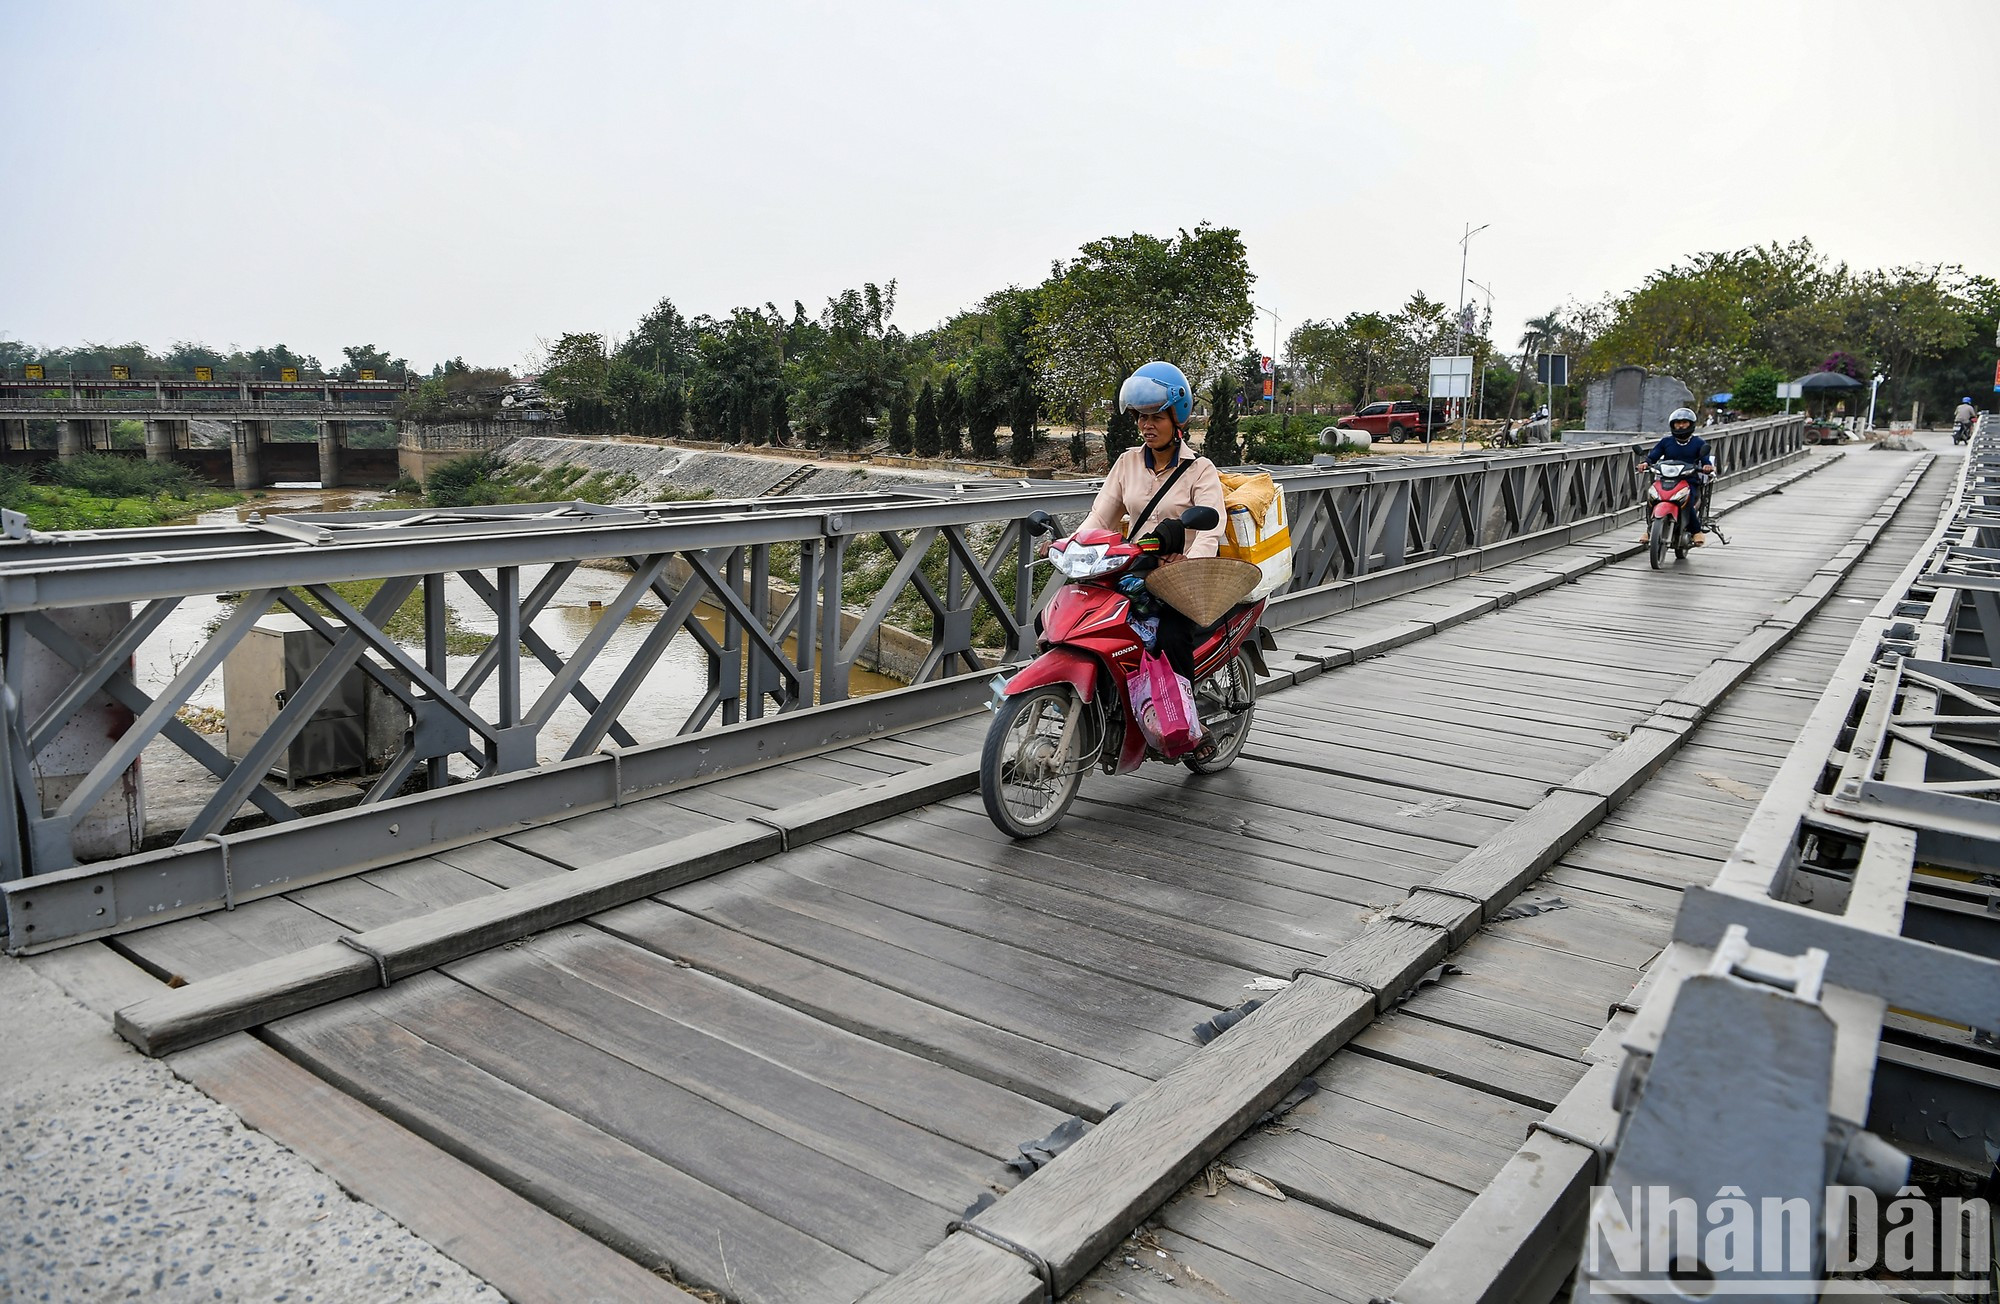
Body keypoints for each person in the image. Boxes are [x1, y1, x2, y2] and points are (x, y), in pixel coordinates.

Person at [1073, 361, 1226, 684]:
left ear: (1177, 418)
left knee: (1172, 637)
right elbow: (1101, 516)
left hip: (1178, 580)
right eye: (1142, 417)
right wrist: (1073, 546)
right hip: (1134, 569)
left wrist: (1189, 566)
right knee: (1072, 617)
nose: (1147, 425)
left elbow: (1210, 530)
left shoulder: (1201, 470)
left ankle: (1186, 724)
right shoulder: (1127, 462)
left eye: (1156, 417)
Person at [1639, 407, 1716, 546]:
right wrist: (1645, 463)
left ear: (1691, 424)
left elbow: (1705, 460)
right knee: (1652, 498)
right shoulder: (1666, 442)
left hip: (1689, 480)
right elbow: (1653, 456)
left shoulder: (1698, 443)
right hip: (1666, 479)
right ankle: (1650, 529)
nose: (1681, 426)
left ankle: (1696, 531)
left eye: (1684, 422)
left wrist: (1707, 466)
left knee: (1687, 501)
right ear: (1672, 425)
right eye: (1677, 423)